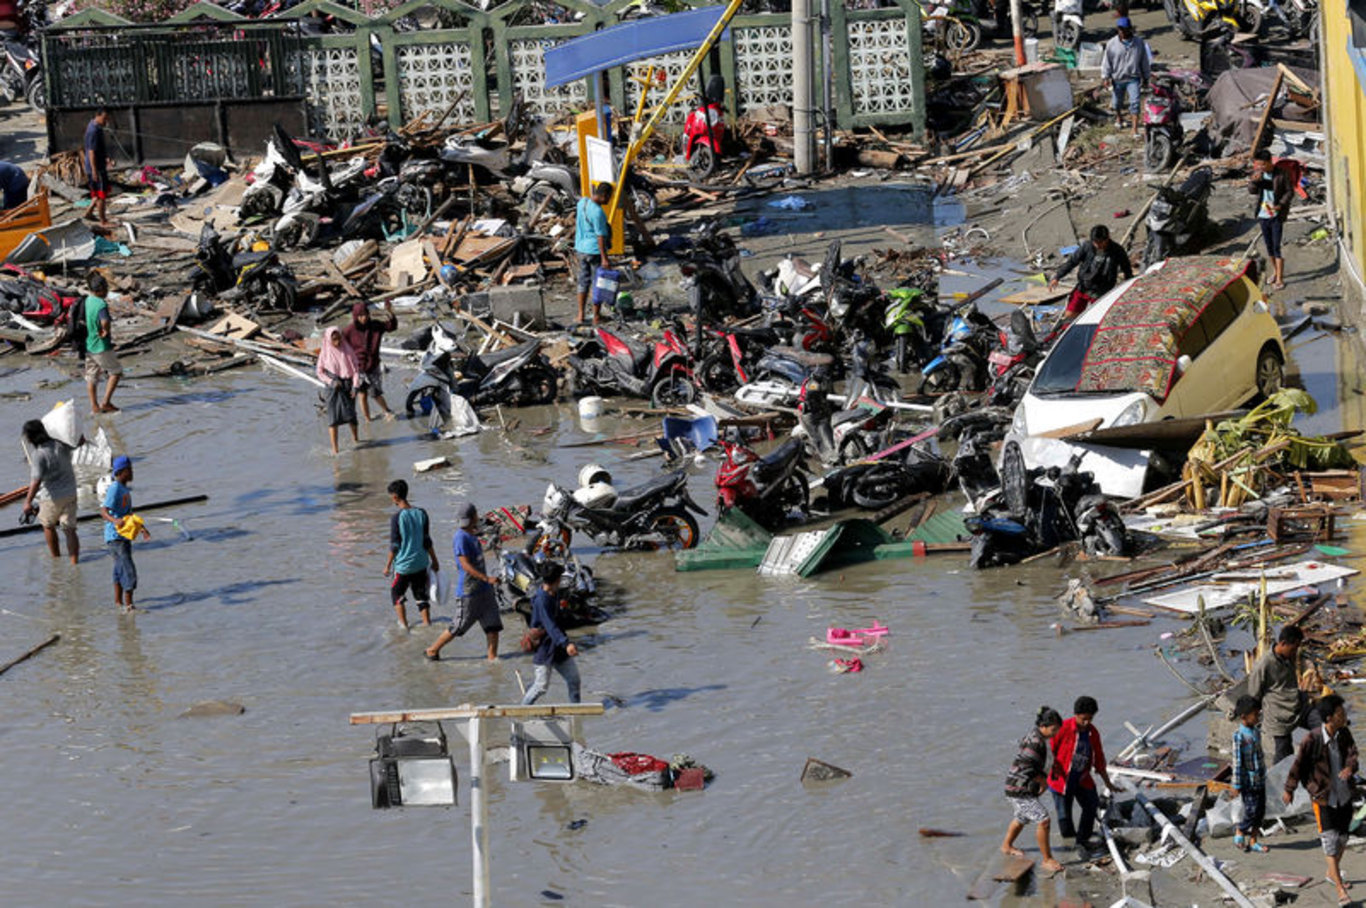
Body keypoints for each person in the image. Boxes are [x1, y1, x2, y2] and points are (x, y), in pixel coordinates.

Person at [1283, 693, 1358, 906]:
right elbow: (1297, 766)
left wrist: (1349, 768)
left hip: (1343, 794)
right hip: (1322, 797)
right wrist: (1289, 789)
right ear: (1328, 718)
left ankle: (1330, 872)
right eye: (1340, 713)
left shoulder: (1344, 734)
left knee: (1343, 838)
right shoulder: (1312, 739)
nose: (1344, 716)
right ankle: (1339, 888)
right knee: (1329, 841)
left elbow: (1353, 754)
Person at [425, 503, 502, 662]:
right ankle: (432, 650)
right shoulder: (460, 537)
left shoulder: (472, 534)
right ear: (473, 517)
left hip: (484, 590)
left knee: (493, 627)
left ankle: (492, 660)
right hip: (469, 592)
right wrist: (487, 578)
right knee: (458, 626)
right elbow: (465, 565)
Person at [1047, 695, 1122, 850]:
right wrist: (1044, 776)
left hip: (1082, 778)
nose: (1087, 723)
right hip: (1061, 781)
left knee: (1091, 805)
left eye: (1090, 719)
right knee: (1064, 817)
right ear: (1076, 715)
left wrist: (1108, 783)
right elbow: (1049, 752)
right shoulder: (1062, 728)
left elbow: (1099, 760)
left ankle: (1083, 840)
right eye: (1083, 719)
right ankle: (1068, 847)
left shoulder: (1093, 733)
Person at [1001, 705, 1066, 874]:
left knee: (1021, 817)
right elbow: (1026, 765)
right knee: (1043, 820)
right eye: (1053, 729)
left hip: (1017, 787)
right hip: (1019, 789)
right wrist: (1043, 780)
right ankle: (1047, 859)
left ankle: (1006, 846)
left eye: (1057, 730)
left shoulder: (1037, 737)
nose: (1055, 733)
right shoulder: (1036, 741)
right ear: (1043, 726)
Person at [1247, 625, 1313, 764]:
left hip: (1296, 703)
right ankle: (1278, 782)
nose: (1295, 652)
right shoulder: (1264, 664)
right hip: (1277, 714)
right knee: (1284, 752)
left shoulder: (1288, 657)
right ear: (1282, 644)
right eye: (1293, 648)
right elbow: (1253, 694)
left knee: (1324, 724)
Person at [520, 562, 582, 705]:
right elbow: (550, 626)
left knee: (574, 680)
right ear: (556, 580)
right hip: (545, 648)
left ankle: (576, 712)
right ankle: (523, 710)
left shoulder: (554, 594)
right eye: (560, 578)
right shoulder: (542, 600)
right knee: (541, 686)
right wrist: (566, 644)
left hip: (558, 648)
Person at [20, 420, 79, 564]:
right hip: (71, 492)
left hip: (51, 497)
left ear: (31, 437)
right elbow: (78, 442)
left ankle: (56, 560)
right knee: (69, 529)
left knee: (48, 526)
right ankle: (74, 562)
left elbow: (36, 481)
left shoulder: (39, 454)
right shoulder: (61, 444)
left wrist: (28, 502)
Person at [382, 479, 438, 630]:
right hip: (421, 563)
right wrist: (434, 560)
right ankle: (427, 625)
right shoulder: (422, 513)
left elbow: (395, 545)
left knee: (396, 594)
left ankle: (404, 627)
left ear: (394, 497)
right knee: (421, 596)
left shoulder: (396, 518)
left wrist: (387, 566)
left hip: (404, 566)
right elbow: (427, 540)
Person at [1049, 225, 1134, 320]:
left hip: (1102, 292)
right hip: (1083, 287)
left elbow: (1127, 269)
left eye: (1100, 242)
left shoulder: (1117, 251)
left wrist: (1129, 288)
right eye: (1095, 242)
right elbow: (1072, 262)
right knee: (1069, 317)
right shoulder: (1087, 246)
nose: (1098, 245)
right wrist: (1058, 277)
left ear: (1107, 239)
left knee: (1098, 319)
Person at [100, 454, 149, 613]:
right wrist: (115, 521)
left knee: (119, 568)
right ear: (121, 472)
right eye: (129, 470)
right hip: (115, 537)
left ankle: (118, 602)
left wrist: (141, 527)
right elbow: (104, 511)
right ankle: (129, 606)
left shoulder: (124, 489)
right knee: (128, 569)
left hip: (123, 535)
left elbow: (128, 514)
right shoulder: (115, 488)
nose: (132, 472)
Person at [340, 300, 397, 422]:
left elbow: (391, 327)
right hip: (358, 368)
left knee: (375, 392)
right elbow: (341, 347)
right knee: (362, 394)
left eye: (365, 315)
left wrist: (390, 312)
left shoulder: (376, 326)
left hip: (373, 365)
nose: (363, 318)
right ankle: (367, 419)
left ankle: (387, 410)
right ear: (355, 316)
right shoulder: (349, 331)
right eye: (360, 316)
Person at [1249, 149, 1294, 290]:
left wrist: (1280, 205)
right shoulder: (1259, 175)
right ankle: (1275, 272)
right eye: (1258, 164)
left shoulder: (1281, 174)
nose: (1260, 167)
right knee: (1269, 247)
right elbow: (1252, 191)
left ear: (1270, 162)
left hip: (1276, 216)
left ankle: (1280, 279)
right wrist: (1254, 182)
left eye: (1263, 164)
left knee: (1276, 247)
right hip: (1263, 215)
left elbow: (1289, 192)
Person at [1232, 694, 1269, 854]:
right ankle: (1240, 830)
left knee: (1260, 811)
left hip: (1260, 778)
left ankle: (1253, 840)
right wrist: (1236, 784)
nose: (1258, 717)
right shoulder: (1239, 736)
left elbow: (1260, 755)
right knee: (1251, 810)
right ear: (1244, 716)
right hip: (1248, 781)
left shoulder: (1256, 732)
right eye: (1255, 714)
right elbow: (1237, 762)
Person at [1100, 17, 1150, 137]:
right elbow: (1107, 61)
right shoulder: (1112, 44)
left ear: (1130, 29)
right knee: (1116, 103)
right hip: (1117, 78)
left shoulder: (1139, 43)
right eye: (1120, 29)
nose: (1122, 32)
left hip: (1133, 78)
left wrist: (1146, 76)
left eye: (1125, 29)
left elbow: (1144, 61)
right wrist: (1105, 77)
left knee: (1135, 103)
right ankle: (1119, 118)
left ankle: (1134, 129)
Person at [316, 326, 360, 456]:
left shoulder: (347, 349)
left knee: (351, 417)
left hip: (347, 386)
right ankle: (335, 450)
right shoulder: (324, 353)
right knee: (333, 420)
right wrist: (331, 382)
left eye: (339, 338)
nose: (337, 342)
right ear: (329, 339)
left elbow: (356, 369)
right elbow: (319, 372)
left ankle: (356, 440)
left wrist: (355, 386)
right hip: (332, 388)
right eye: (334, 339)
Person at [84, 271, 123, 415]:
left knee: (92, 377)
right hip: (101, 346)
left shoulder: (89, 300)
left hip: (89, 345)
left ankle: (94, 406)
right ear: (101, 290)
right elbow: (105, 320)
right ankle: (106, 402)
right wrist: (105, 331)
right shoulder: (101, 304)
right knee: (116, 372)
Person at [574, 181, 613, 325]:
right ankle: (596, 316)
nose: (609, 200)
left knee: (583, 282)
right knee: (599, 283)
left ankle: (580, 315)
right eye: (609, 197)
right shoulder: (598, 212)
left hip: (580, 248)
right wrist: (605, 258)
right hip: (594, 251)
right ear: (603, 195)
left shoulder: (582, 203)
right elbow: (600, 236)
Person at [83, 108, 112, 227]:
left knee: (96, 193)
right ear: (98, 116)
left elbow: (98, 149)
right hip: (96, 168)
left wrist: (106, 158)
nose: (106, 121)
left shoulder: (96, 127)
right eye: (104, 118)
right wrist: (95, 171)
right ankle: (103, 221)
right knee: (101, 195)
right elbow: (91, 152)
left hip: (97, 165)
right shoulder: (93, 130)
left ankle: (88, 213)